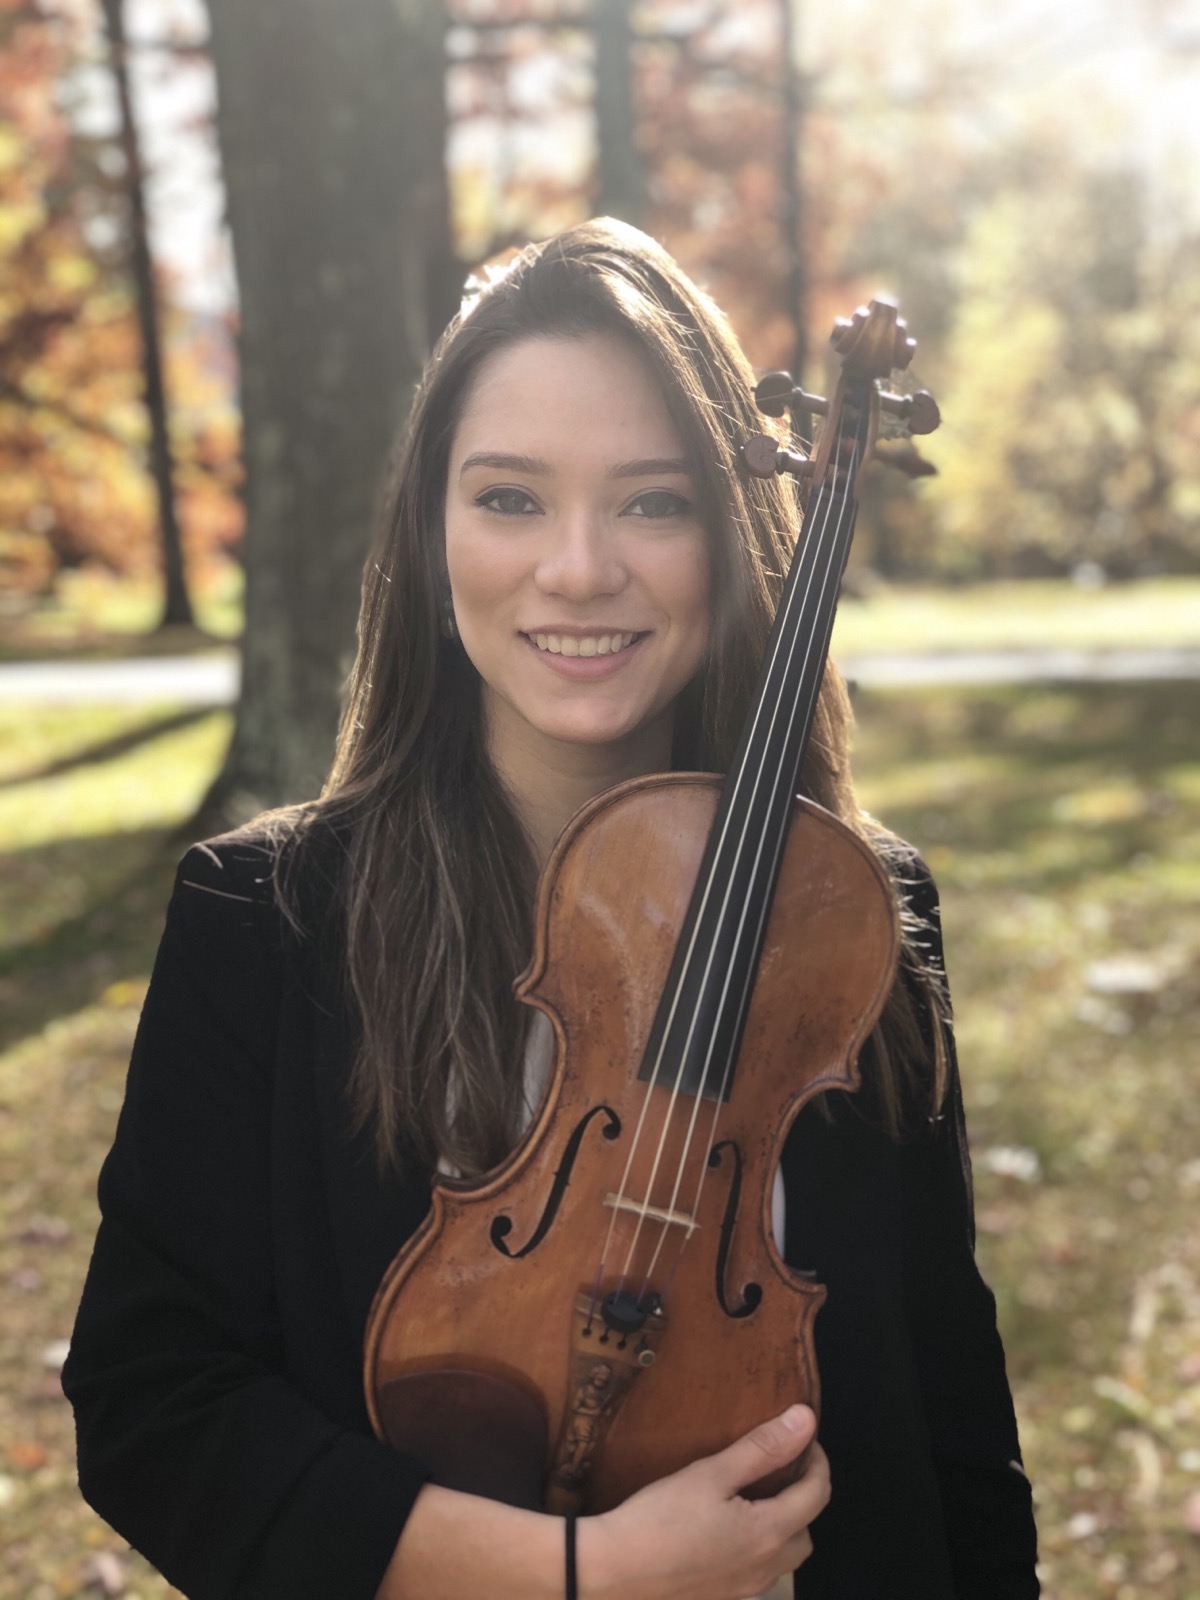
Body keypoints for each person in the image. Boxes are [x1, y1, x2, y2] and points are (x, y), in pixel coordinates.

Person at [64, 218, 1039, 1600]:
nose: (578, 570)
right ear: (430, 526)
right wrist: (577, 1575)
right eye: (510, 497)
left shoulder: (852, 915)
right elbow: (157, 1405)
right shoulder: (264, 919)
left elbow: (947, 1397)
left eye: (653, 501)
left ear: (737, 524)